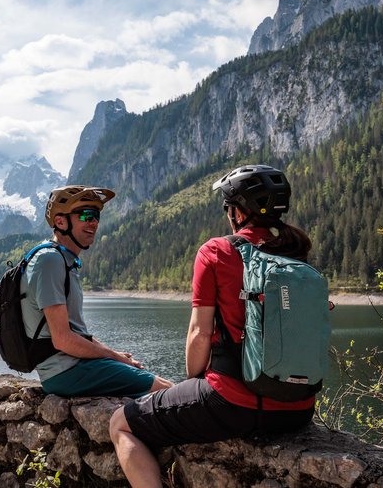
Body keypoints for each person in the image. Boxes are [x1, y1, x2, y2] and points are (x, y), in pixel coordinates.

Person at [109, 165, 316, 488]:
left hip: (232, 403)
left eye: (227, 207)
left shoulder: (217, 251)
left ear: (236, 212)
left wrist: (191, 388)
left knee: (120, 423)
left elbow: (199, 334)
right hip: (298, 408)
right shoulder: (296, 254)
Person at [22, 185, 173, 398]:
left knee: (162, 386)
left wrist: (114, 356)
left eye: (96, 216)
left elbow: (77, 333)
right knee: (167, 391)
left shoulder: (64, 260)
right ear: (60, 221)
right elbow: (62, 339)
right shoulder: (50, 260)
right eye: (85, 214)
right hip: (65, 372)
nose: (93, 222)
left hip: (75, 366)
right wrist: (114, 357)